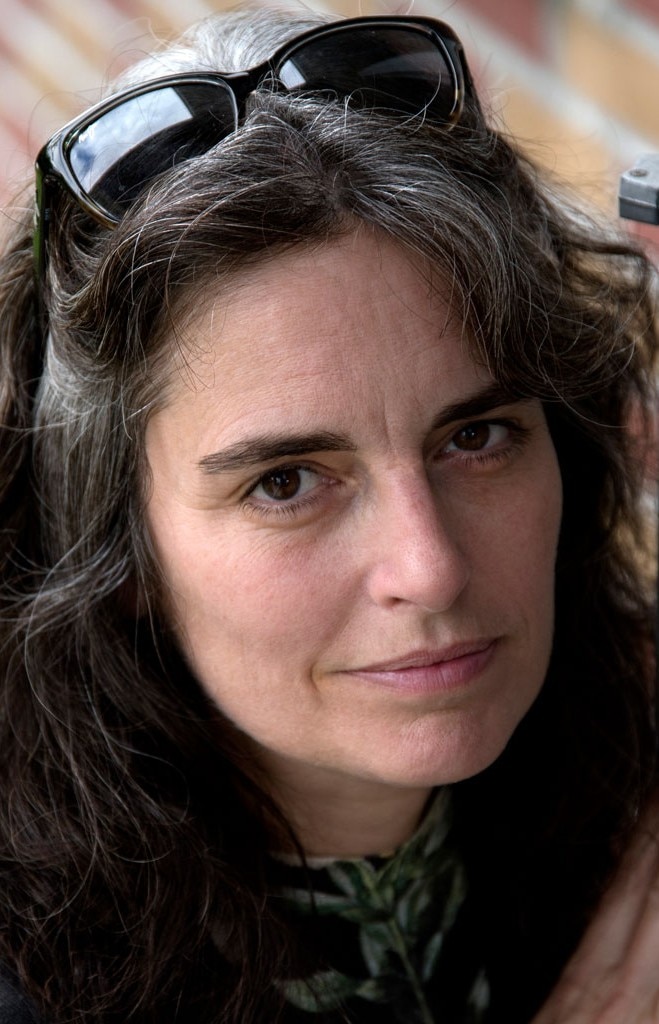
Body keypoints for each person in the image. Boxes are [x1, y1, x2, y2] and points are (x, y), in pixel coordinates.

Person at [0, 6, 657, 1023]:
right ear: (120, 552)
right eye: (286, 482)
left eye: (475, 436)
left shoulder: (621, 775)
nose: (428, 568)